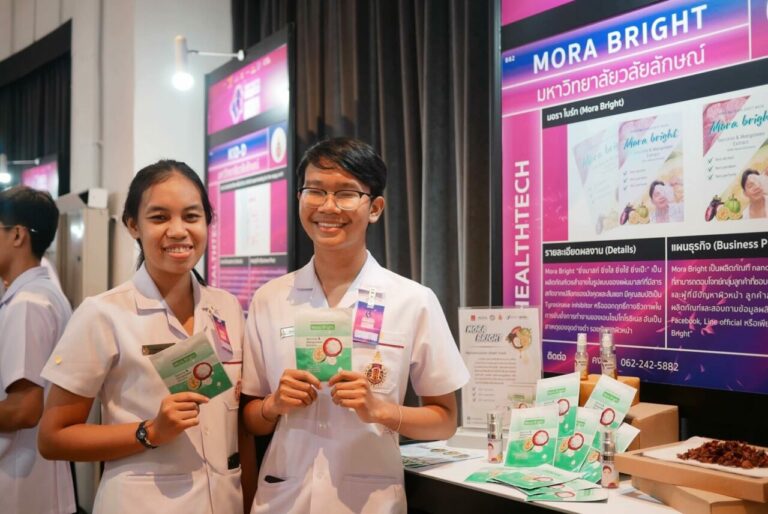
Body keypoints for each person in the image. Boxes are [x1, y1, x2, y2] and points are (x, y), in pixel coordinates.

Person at [241, 138, 470, 513]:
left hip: (369, 502)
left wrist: (381, 410)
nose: (328, 207)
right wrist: (273, 404)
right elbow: (251, 420)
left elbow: (444, 421)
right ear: (300, 198)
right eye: (315, 191)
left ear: (375, 208)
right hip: (284, 498)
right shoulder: (270, 299)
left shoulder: (413, 300)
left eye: (346, 193)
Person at [38, 160, 255, 513]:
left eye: (191, 216)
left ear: (207, 222)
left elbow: (238, 427)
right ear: (133, 226)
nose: (178, 230)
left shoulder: (227, 308)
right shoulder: (103, 313)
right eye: (159, 217)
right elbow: (53, 438)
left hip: (223, 501)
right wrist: (150, 431)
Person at [0, 186, 75, 514]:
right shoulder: (41, 293)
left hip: (22, 483)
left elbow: (24, 410)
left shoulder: (28, 304)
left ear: (17, 235)